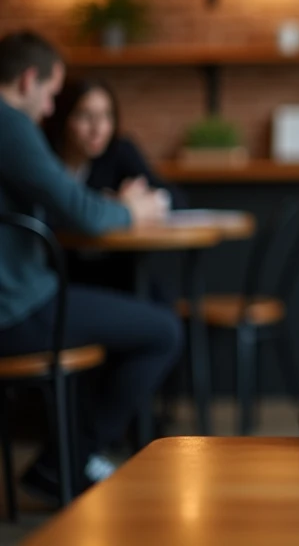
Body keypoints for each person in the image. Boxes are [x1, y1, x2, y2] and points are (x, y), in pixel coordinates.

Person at [0, 31, 182, 502]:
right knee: (163, 330)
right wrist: (131, 211)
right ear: (27, 80)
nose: (48, 108)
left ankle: (65, 459)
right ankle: (65, 461)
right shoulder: (10, 123)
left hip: (20, 299)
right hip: (16, 310)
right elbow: (79, 211)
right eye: (53, 95)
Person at [42, 77, 183, 300]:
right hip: (57, 275)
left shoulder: (119, 151)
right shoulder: (44, 157)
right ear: (63, 117)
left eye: (106, 116)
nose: (98, 129)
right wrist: (112, 206)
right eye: (85, 116)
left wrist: (146, 202)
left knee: (162, 305)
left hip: (115, 273)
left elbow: (175, 198)